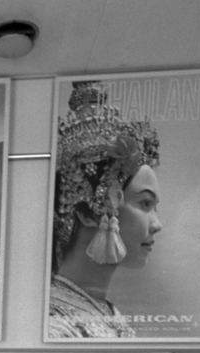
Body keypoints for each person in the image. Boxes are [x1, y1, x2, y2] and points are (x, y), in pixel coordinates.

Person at [48, 80, 162, 339]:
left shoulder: (107, 313)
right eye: (145, 204)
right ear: (89, 213)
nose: (157, 224)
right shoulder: (54, 325)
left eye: (155, 207)